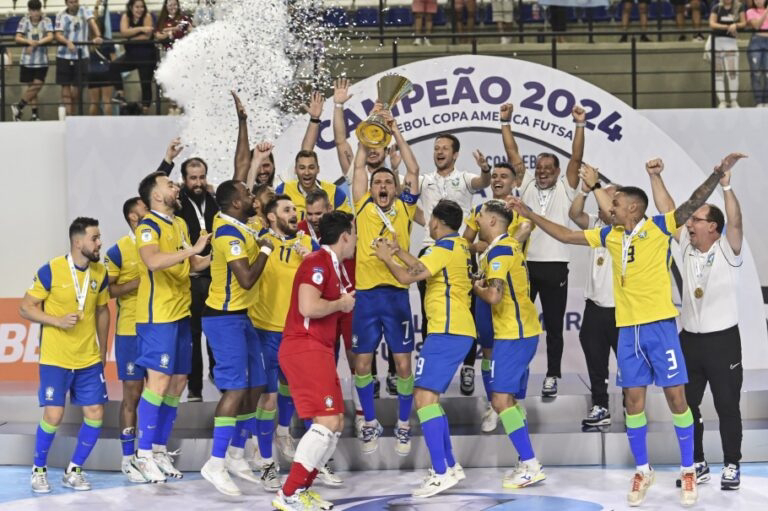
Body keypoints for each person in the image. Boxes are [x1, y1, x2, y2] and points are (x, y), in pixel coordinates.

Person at [510, 154, 744, 507]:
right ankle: (643, 469)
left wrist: (716, 175)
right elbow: (567, 234)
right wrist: (531, 215)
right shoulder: (610, 235)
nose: (610, 207)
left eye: (616, 203)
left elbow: (692, 202)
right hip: (628, 332)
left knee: (677, 399)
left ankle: (687, 470)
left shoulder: (659, 228)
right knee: (633, 404)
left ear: (633, 209)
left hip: (661, 329)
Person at [645, 154, 747, 491]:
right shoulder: (684, 250)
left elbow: (735, 221)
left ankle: (732, 464)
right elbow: (670, 209)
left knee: (727, 405)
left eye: (697, 219)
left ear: (712, 227)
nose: (689, 223)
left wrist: (727, 185)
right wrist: (655, 177)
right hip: (689, 340)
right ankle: (698, 462)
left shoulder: (729, 251)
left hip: (723, 341)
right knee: (687, 405)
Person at [373, 199, 470, 497]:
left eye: (430, 220)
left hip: (446, 331)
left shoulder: (443, 249)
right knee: (430, 398)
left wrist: (385, 257)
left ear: (437, 222)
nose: (428, 223)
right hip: (454, 330)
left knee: (423, 399)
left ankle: (440, 472)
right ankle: (450, 466)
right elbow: (420, 266)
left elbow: (406, 276)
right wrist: (398, 250)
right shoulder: (458, 246)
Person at [129, 171, 211, 483]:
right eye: (169, 185)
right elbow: (153, 261)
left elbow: (192, 266)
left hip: (181, 313)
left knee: (177, 383)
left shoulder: (178, 224)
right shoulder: (147, 226)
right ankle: (143, 454)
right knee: (158, 383)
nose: (176, 187)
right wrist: (192, 250)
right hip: (157, 317)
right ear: (156, 195)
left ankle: (160, 449)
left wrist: (213, 255)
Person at [272, 211, 357, 511]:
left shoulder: (329, 264)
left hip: (317, 349)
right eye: (355, 234)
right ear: (345, 235)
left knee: (334, 422)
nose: (356, 240)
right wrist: (341, 304)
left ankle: (302, 488)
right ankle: (289, 492)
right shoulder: (317, 262)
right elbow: (308, 306)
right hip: (304, 347)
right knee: (326, 420)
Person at [20, 217, 110, 492]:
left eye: (99, 238)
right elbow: (26, 307)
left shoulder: (99, 272)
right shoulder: (52, 270)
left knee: (95, 413)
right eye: (94, 238)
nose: (99, 243)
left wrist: (103, 350)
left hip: (88, 358)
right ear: (78, 241)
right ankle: (39, 470)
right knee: (54, 415)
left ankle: (74, 470)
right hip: (56, 358)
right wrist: (56, 320)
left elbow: (103, 311)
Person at [349, 111, 421, 456]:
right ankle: (370, 422)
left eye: (388, 183)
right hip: (365, 297)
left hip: (396, 296)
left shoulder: (405, 209)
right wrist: (371, 130)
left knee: (403, 364)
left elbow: (414, 170)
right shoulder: (362, 205)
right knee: (362, 365)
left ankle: (404, 424)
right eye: (378, 183)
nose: (382, 186)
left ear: (396, 188)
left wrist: (395, 131)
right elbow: (360, 166)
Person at [502, 102, 585, 398]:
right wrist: (505, 123)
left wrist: (579, 124)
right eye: (539, 168)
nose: (543, 172)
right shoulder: (525, 186)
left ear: (558, 171)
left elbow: (576, 157)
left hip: (555, 267)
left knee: (552, 326)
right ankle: (516, 373)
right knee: (519, 324)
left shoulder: (567, 187)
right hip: (526, 267)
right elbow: (513, 155)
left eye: (549, 168)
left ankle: (552, 375)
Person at [200, 180, 272, 496]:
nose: (251, 196)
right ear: (235, 204)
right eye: (246, 194)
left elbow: (241, 169)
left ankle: (236, 454)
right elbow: (245, 279)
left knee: (256, 383)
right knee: (235, 388)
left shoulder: (237, 224)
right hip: (223, 318)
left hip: (243, 317)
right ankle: (215, 463)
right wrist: (267, 249)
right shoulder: (228, 233)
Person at [472, 200, 545, 489]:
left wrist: (475, 286)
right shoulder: (509, 246)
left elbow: (494, 296)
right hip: (519, 331)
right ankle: (525, 460)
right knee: (508, 401)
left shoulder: (501, 251)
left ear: (492, 222)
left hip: (514, 334)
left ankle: (530, 464)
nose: (475, 220)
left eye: (480, 216)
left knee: (500, 400)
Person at [250, 194, 319, 491]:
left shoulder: (306, 243)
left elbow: (323, 280)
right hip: (265, 330)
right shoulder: (260, 242)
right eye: (287, 210)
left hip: (296, 331)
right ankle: (266, 463)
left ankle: (282, 433)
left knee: (290, 388)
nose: (295, 213)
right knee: (267, 397)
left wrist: (311, 260)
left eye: (295, 209)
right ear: (272, 217)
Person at [417, 132, 491, 396]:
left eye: (445, 148)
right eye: (436, 148)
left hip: (460, 250)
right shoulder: (424, 180)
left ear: (455, 153)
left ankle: (469, 368)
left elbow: (483, 181)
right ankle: (431, 362)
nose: (439, 152)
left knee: (466, 309)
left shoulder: (465, 178)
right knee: (430, 310)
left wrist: (485, 169)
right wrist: (424, 221)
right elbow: (406, 193)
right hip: (431, 248)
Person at [463, 161, 532, 432]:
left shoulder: (520, 209)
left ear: (515, 181)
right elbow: (466, 242)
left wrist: (492, 243)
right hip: (487, 283)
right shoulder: (480, 209)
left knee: (516, 349)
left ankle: (516, 400)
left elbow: (521, 234)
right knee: (489, 348)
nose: (498, 180)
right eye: (494, 177)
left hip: (512, 287)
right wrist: (481, 244)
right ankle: (494, 403)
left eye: (504, 176)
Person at [158, 137, 219, 402]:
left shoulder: (215, 198)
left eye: (201, 177)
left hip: (216, 277)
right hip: (191, 278)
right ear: (184, 180)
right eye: (193, 178)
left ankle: (219, 376)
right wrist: (168, 160)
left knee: (216, 330)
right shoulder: (177, 201)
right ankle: (195, 389)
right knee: (193, 335)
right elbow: (154, 187)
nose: (198, 182)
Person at [567, 166, 619, 428]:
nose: (604, 204)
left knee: (629, 365)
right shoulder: (596, 225)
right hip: (595, 307)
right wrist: (584, 190)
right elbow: (574, 214)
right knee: (595, 360)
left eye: (610, 200)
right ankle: (600, 405)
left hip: (621, 310)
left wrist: (597, 185)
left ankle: (633, 408)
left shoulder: (623, 228)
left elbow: (612, 217)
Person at [104, 197, 149, 482]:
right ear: (134, 217)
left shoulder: (160, 240)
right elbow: (109, 291)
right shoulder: (118, 250)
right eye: (146, 210)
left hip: (157, 327)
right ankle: (127, 457)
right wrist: (137, 283)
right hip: (130, 331)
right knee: (132, 393)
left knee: (156, 393)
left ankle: (149, 454)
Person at [55, 0, 103, 116]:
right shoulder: (60, 14)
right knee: (65, 86)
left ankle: (73, 113)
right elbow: (58, 34)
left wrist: (98, 36)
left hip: (82, 55)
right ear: (66, 3)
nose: (74, 4)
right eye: (71, 2)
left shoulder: (84, 10)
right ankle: (69, 115)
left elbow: (92, 23)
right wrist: (67, 42)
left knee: (77, 89)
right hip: (63, 55)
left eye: (75, 1)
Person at [112, 0, 157, 114]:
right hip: (131, 54)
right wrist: (141, 29)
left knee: (145, 83)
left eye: (142, 7)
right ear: (131, 7)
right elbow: (124, 32)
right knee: (114, 66)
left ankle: (145, 110)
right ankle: (120, 93)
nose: (140, 10)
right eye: (137, 7)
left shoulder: (147, 16)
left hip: (146, 55)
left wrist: (131, 39)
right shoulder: (126, 16)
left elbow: (147, 36)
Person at [12, 0, 54, 122]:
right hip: (27, 60)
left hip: (42, 60)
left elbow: (50, 36)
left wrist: (37, 43)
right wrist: (28, 41)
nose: (36, 13)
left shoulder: (46, 21)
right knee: (32, 88)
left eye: (38, 10)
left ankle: (18, 106)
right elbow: (17, 37)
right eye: (33, 10)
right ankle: (34, 115)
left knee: (37, 85)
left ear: (41, 10)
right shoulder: (24, 21)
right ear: (29, 11)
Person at [708, 0, 747, 109]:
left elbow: (744, 23)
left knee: (732, 72)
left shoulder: (739, 7)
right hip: (717, 42)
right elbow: (712, 23)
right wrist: (726, 27)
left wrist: (735, 25)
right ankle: (722, 101)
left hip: (731, 43)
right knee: (718, 73)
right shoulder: (716, 7)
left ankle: (734, 100)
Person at [87, 4, 117, 116]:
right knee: (107, 101)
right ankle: (109, 127)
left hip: (91, 72)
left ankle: (91, 126)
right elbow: (114, 60)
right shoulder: (108, 41)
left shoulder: (87, 42)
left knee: (93, 103)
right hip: (106, 72)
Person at [746, 0, 768, 107]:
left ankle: (766, 101)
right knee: (756, 73)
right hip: (756, 42)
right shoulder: (750, 11)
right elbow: (756, 25)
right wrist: (766, 11)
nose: (759, 1)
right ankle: (759, 101)